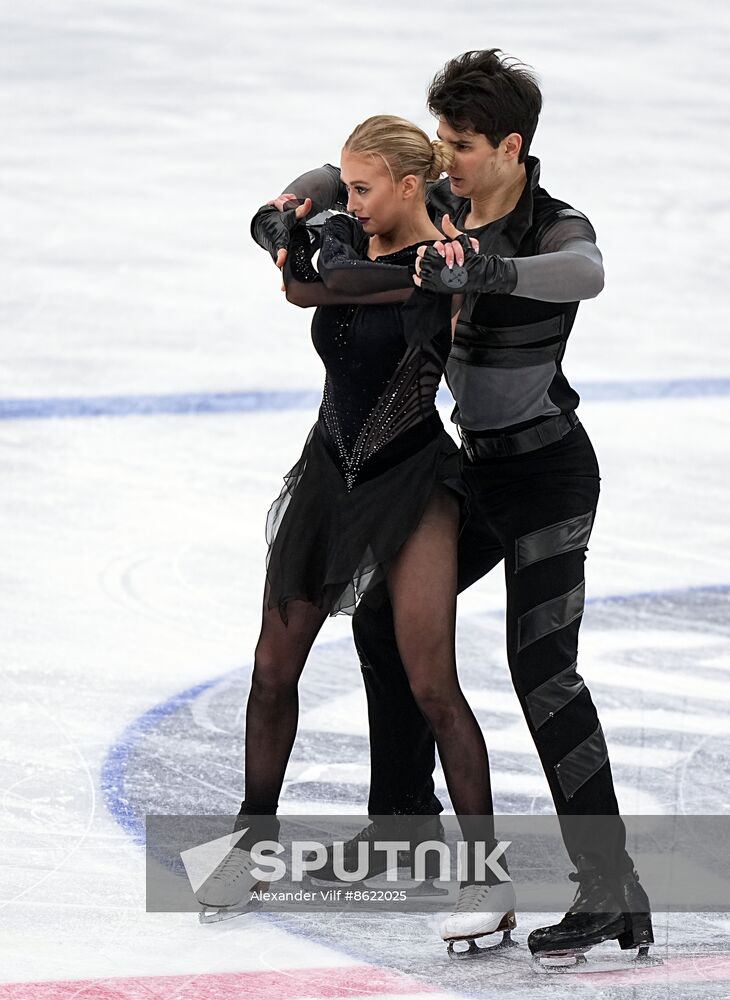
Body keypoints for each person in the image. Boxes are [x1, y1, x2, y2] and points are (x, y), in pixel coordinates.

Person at [250, 50, 654, 965]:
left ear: (511, 145)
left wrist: (487, 276)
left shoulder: (554, 225)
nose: (445, 160)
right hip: (473, 470)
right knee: (384, 615)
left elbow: (587, 273)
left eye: (462, 145)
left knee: (543, 672)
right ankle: (404, 822)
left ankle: (609, 884)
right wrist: (281, 212)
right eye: (438, 143)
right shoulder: (444, 201)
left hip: (548, 479)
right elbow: (331, 172)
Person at [198, 115, 516, 938]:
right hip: (326, 477)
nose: (354, 200)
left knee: (432, 686)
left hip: (412, 484)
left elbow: (335, 285)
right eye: (351, 187)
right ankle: (249, 841)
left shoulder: (441, 263)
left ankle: (486, 880)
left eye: (367, 188)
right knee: (273, 671)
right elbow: (304, 282)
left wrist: (324, 252)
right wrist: (288, 215)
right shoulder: (357, 230)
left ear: (413, 186)